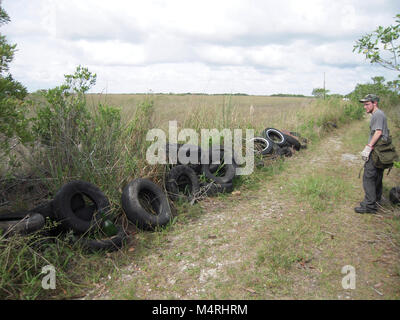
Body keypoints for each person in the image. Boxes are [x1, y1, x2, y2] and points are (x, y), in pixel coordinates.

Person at [355, 94, 390, 214]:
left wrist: (369, 147)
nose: (365, 107)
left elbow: (378, 132)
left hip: (377, 151)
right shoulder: (379, 114)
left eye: (367, 104)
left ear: (375, 103)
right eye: (364, 104)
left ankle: (369, 206)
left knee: (369, 177)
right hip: (381, 151)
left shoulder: (378, 114)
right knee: (377, 176)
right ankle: (376, 201)